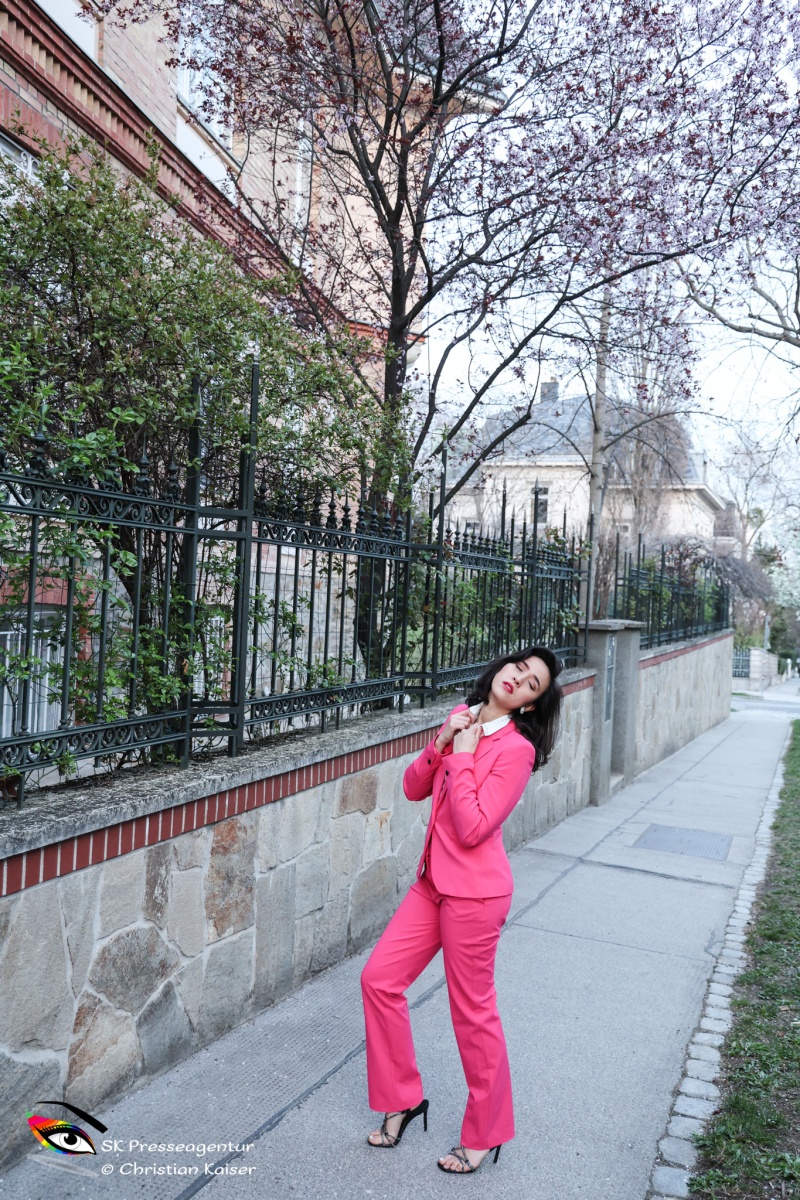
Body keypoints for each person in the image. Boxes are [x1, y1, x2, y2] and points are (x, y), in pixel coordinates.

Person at [360, 646, 564, 1174]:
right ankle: (403, 1099)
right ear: (502, 668)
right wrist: (444, 741)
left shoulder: (515, 751)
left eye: (532, 684)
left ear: (530, 705)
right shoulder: (462, 720)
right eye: (518, 668)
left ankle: (485, 1133)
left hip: (475, 896)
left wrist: (465, 755)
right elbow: (413, 787)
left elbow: (474, 828)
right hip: (433, 884)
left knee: (472, 1013)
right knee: (379, 981)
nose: (518, 679)